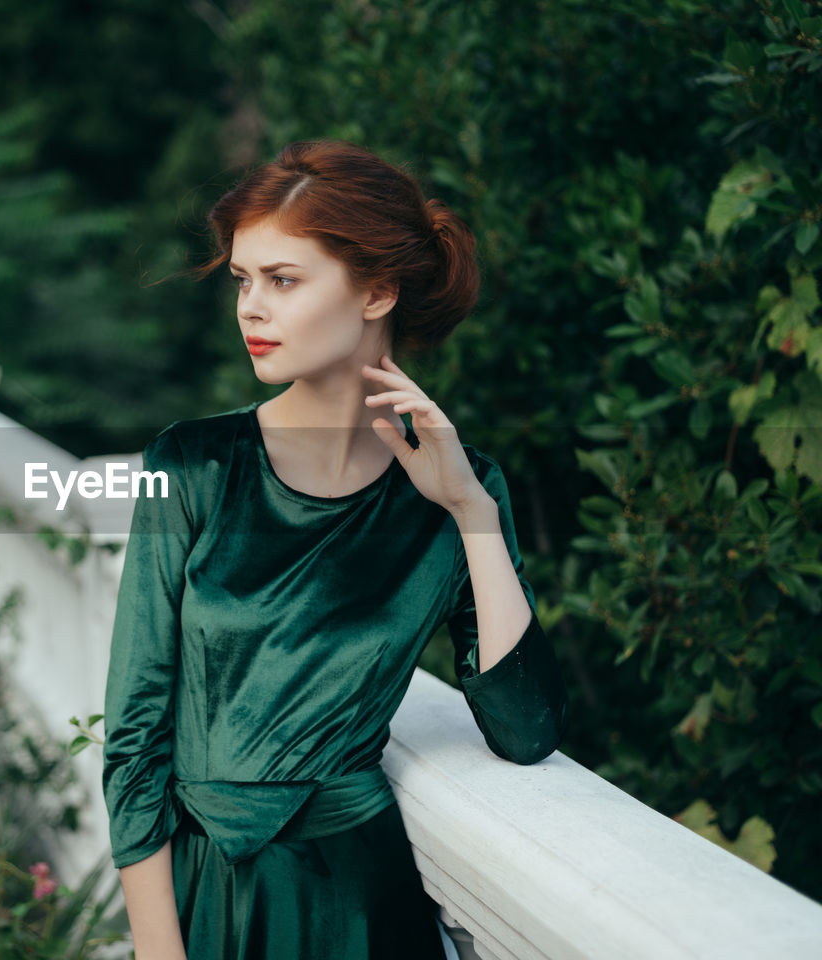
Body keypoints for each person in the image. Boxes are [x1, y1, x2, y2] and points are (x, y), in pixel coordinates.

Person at [101, 140, 569, 960]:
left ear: (378, 291)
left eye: (283, 280)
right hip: (209, 895)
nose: (250, 308)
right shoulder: (191, 465)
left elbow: (524, 730)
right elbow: (135, 735)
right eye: (244, 280)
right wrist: (159, 950)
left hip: (361, 903)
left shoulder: (459, 490)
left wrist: (468, 509)